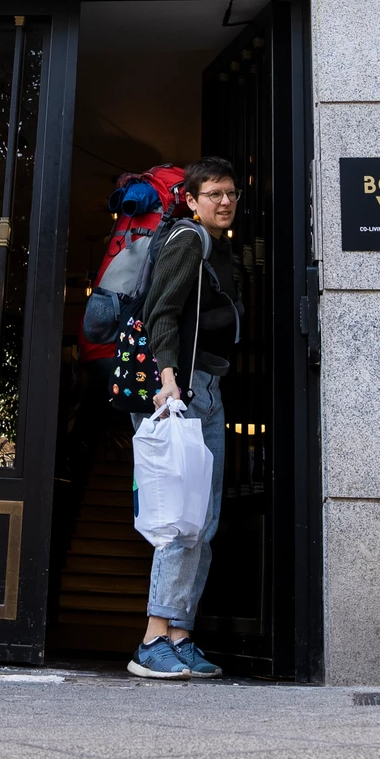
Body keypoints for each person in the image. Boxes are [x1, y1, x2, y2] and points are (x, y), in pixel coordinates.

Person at [127, 157, 243, 680]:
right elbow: (161, 310)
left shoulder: (220, 251)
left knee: (204, 522)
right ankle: (152, 639)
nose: (225, 201)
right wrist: (169, 378)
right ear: (192, 201)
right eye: (214, 193)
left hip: (209, 391)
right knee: (180, 520)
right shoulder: (188, 241)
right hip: (182, 390)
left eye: (231, 193)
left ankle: (180, 634)